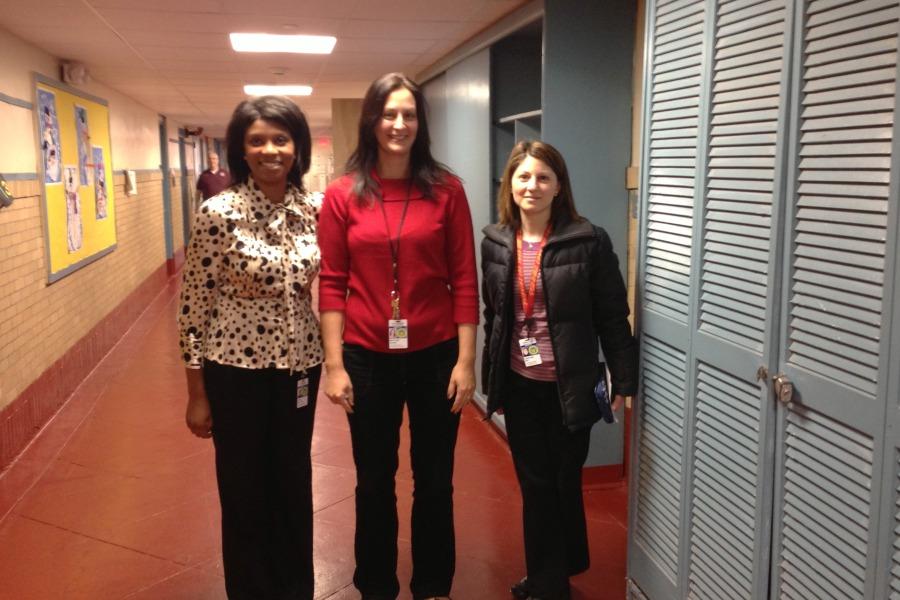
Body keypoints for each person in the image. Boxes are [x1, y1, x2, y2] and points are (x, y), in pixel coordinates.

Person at [318, 72, 479, 600]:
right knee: (374, 481)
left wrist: (466, 361)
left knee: (435, 479)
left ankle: (432, 584)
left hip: (436, 357)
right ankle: (377, 585)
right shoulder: (342, 195)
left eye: (409, 114)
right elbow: (333, 284)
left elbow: (464, 279)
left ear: (420, 123)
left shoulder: (447, 190)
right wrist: (335, 364)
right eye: (389, 113)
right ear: (371, 120)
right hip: (366, 357)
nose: (399, 124)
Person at [177, 96, 323, 600]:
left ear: (296, 146)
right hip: (234, 370)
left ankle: (295, 589)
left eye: (280, 139)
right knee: (243, 489)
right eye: (257, 140)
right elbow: (193, 308)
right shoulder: (218, 213)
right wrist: (197, 393)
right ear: (242, 148)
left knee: (292, 481)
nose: (270, 150)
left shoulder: (313, 209)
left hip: (301, 367)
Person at [480, 141, 638, 600]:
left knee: (562, 481)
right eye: (524, 176)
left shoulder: (588, 240)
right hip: (520, 382)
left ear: (559, 186)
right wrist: (492, 379)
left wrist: (623, 378)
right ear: (510, 184)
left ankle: (560, 566)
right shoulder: (494, 241)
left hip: (570, 386)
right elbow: (496, 317)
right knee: (536, 484)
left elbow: (612, 314)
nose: (533, 185)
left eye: (543, 177)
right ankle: (550, 583)